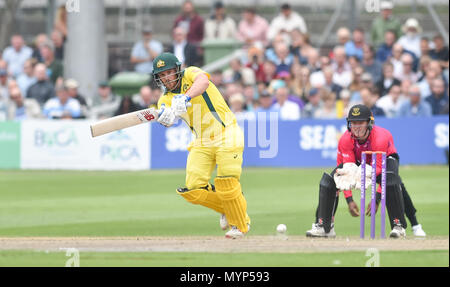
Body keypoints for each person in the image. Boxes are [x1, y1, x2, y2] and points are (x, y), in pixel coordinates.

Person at [152, 52, 250, 239]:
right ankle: (228, 207)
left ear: (177, 70)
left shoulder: (190, 73)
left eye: (169, 72)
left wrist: (185, 97)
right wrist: (165, 117)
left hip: (226, 133)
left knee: (227, 182)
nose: (166, 78)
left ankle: (240, 225)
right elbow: (166, 115)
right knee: (194, 190)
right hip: (201, 141)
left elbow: (203, 81)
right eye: (162, 75)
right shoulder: (165, 99)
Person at [306, 104, 426, 238]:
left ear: (369, 123)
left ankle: (399, 226)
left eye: (360, 122)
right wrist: (349, 199)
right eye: (353, 123)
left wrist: (376, 199)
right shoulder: (346, 139)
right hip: (359, 159)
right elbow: (346, 173)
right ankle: (325, 227)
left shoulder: (380, 137)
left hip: (385, 158)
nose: (356, 127)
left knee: (391, 181)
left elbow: (380, 170)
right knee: (329, 182)